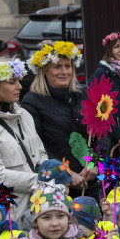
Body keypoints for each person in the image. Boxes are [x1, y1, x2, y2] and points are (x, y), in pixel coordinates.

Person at [0, 57, 51, 228]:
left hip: (39, 206)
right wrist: (40, 182)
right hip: (8, 214)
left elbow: (41, 154)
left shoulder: (23, 114)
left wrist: (52, 176)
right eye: (12, 82)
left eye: (19, 81)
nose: (20, 86)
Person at [20, 42, 100, 188]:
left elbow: (100, 133)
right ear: (44, 71)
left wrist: (94, 162)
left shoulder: (84, 93)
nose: (64, 72)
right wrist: (65, 173)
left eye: (68, 66)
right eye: (57, 67)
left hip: (91, 178)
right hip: (57, 183)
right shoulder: (32, 101)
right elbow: (36, 146)